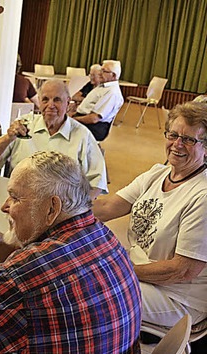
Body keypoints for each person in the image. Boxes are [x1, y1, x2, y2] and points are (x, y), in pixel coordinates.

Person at [0, 151, 142, 353]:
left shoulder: (24, 274)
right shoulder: (101, 234)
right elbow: (31, 274)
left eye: (15, 197)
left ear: (52, 208)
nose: (4, 206)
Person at [93, 101, 207, 329]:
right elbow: (106, 208)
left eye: (188, 139)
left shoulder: (202, 195)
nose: (177, 144)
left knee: (91, 292)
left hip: (177, 298)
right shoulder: (158, 173)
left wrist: (121, 270)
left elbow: (183, 270)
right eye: (173, 135)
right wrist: (59, 211)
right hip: (141, 276)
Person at [0, 79, 108, 199]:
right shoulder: (24, 125)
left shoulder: (82, 135)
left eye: (57, 100)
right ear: (39, 102)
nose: (50, 105)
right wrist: (8, 138)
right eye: (45, 100)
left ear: (67, 103)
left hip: (61, 206)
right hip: (19, 199)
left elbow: (97, 181)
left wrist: (79, 209)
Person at [70, 60, 124, 141]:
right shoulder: (102, 87)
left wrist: (73, 119)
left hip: (94, 127)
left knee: (57, 125)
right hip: (85, 121)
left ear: (113, 75)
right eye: (101, 70)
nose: (100, 73)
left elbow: (94, 119)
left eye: (104, 71)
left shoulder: (112, 93)